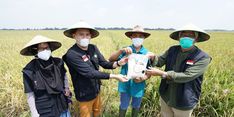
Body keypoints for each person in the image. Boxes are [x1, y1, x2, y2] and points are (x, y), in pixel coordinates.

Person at [62, 20, 128, 117]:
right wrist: (115, 76)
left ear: (90, 36)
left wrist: (118, 63)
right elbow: (90, 73)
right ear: (74, 35)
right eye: (81, 34)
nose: (85, 37)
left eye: (87, 34)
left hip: (96, 90)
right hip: (84, 94)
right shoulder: (72, 54)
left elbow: (104, 63)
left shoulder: (93, 48)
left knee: (97, 112)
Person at [146, 24, 212, 117]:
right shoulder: (172, 50)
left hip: (184, 99)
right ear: (179, 37)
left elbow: (188, 75)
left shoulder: (203, 57)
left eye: (191, 35)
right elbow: (160, 61)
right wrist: (153, 57)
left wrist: (162, 74)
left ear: (196, 39)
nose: (186, 37)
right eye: (183, 35)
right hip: (166, 95)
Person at [20, 35, 71, 117]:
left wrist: (67, 87)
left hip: (62, 104)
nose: (45, 50)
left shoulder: (58, 63)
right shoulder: (29, 70)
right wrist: (34, 112)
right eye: (42, 48)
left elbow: (64, 75)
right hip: (45, 109)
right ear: (35, 50)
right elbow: (30, 93)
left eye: (47, 48)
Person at [109, 25, 151, 117]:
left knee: (136, 105)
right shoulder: (126, 50)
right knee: (124, 105)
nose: (137, 38)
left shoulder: (146, 53)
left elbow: (149, 71)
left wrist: (144, 77)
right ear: (131, 37)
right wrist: (121, 50)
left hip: (139, 85)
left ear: (144, 38)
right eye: (135, 36)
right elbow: (111, 59)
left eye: (140, 36)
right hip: (125, 83)